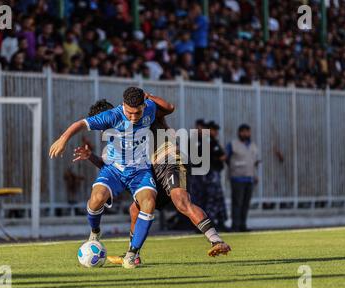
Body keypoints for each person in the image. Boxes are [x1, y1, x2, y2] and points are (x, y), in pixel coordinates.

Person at [73, 101, 231, 265]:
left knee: (181, 201)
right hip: (154, 168)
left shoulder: (144, 114)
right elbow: (110, 165)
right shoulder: (119, 136)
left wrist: (148, 97)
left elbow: (169, 108)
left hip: (170, 160)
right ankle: (133, 254)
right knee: (135, 209)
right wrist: (90, 156)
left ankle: (216, 240)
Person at [49, 87, 170, 269]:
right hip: (114, 170)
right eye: (129, 112)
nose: (133, 117)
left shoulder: (150, 108)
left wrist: (149, 96)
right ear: (123, 106)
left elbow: (169, 107)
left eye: (137, 113)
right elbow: (80, 123)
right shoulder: (112, 116)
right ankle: (95, 233)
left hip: (140, 170)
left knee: (149, 203)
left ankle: (132, 254)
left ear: (144, 106)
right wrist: (63, 138)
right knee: (96, 198)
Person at [226, 124, 260, 232]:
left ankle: (243, 225)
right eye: (244, 132)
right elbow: (226, 158)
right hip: (237, 178)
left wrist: (255, 175)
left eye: (248, 132)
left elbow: (254, 162)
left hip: (249, 178)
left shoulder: (253, 146)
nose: (246, 134)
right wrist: (234, 169)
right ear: (239, 133)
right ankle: (235, 226)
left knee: (246, 204)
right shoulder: (233, 145)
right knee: (237, 203)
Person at [202, 121, 228, 230]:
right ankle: (211, 223)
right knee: (213, 199)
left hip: (213, 173)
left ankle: (218, 222)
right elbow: (220, 155)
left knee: (217, 199)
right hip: (211, 174)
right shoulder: (209, 141)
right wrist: (221, 157)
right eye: (214, 130)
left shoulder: (211, 141)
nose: (216, 132)